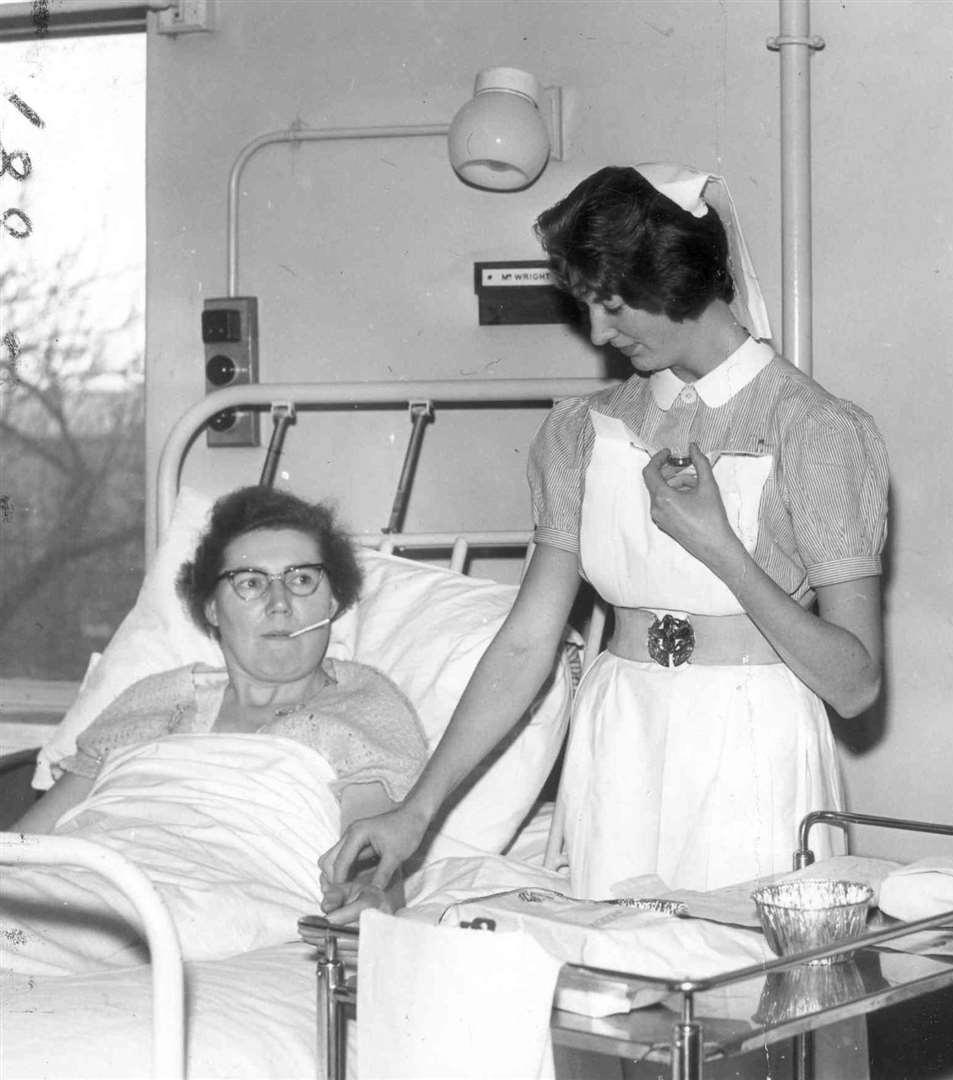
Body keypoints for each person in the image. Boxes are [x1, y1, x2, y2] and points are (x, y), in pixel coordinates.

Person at [324, 163, 889, 900]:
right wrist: (415, 813)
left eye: (615, 303)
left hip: (752, 742)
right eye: (586, 304)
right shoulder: (583, 432)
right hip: (618, 733)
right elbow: (526, 640)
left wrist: (721, 549)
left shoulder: (813, 430)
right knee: (614, 992)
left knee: (743, 992)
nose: (596, 331)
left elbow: (855, 685)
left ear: (681, 279)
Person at [5, 485, 427, 974]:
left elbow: (372, 851)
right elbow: (24, 844)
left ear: (332, 599)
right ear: (211, 608)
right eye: (250, 582)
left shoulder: (359, 704)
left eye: (302, 580)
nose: (279, 604)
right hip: (91, 877)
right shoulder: (153, 699)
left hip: (226, 897)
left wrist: (371, 901)